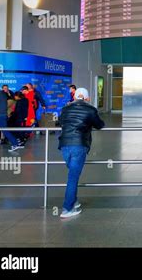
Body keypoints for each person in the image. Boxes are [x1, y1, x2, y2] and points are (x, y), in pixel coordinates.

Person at [57, 87, 105, 218]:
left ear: (75, 96)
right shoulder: (90, 109)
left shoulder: (66, 109)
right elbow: (100, 125)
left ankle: (74, 201)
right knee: (73, 177)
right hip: (79, 145)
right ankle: (67, 208)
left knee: (72, 174)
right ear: (86, 97)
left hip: (64, 145)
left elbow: (59, 122)